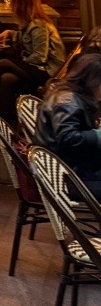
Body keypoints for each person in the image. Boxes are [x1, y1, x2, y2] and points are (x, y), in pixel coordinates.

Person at [0, 0, 67, 126]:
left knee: (3, 63)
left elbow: (39, 57)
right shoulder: (27, 23)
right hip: (35, 68)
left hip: (47, 71)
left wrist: (20, 63)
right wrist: (10, 33)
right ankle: (3, 121)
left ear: (20, 3)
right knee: (7, 78)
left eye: (10, 0)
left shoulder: (38, 25)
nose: (8, 3)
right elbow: (24, 39)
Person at [37, 53, 101, 198]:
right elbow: (68, 138)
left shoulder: (73, 96)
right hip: (67, 178)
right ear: (92, 81)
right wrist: (98, 135)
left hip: (74, 170)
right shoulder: (67, 101)